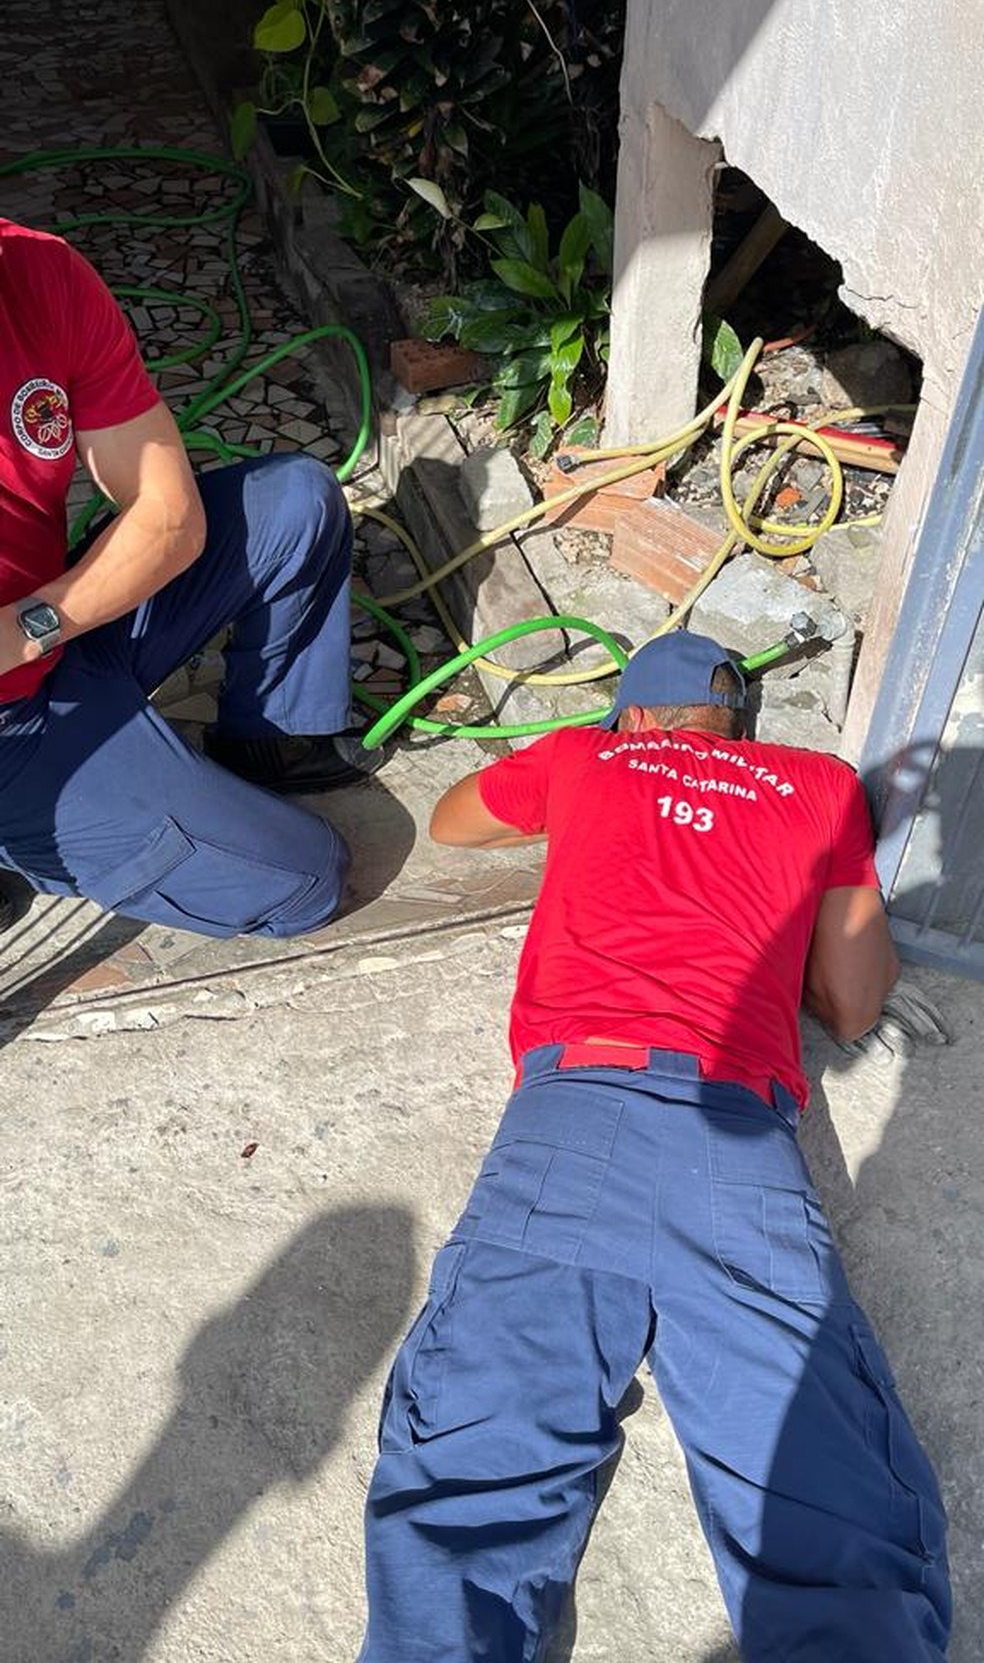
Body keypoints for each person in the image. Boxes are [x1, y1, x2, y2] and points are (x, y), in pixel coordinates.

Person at [358, 630, 950, 1662]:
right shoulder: (815, 783)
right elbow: (854, 1006)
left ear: (633, 711)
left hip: (569, 1119)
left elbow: (455, 823)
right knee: (824, 1506)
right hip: (740, 1143)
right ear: (738, 720)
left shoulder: (587, 759)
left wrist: (588, 774)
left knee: (470, 1490)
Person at [0, 215, 382, 939]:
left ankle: (268, 736)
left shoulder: (38, 272)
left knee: (297, 502)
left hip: (52, 628)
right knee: (306, 880)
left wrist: (31, 626)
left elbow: (170, 515)